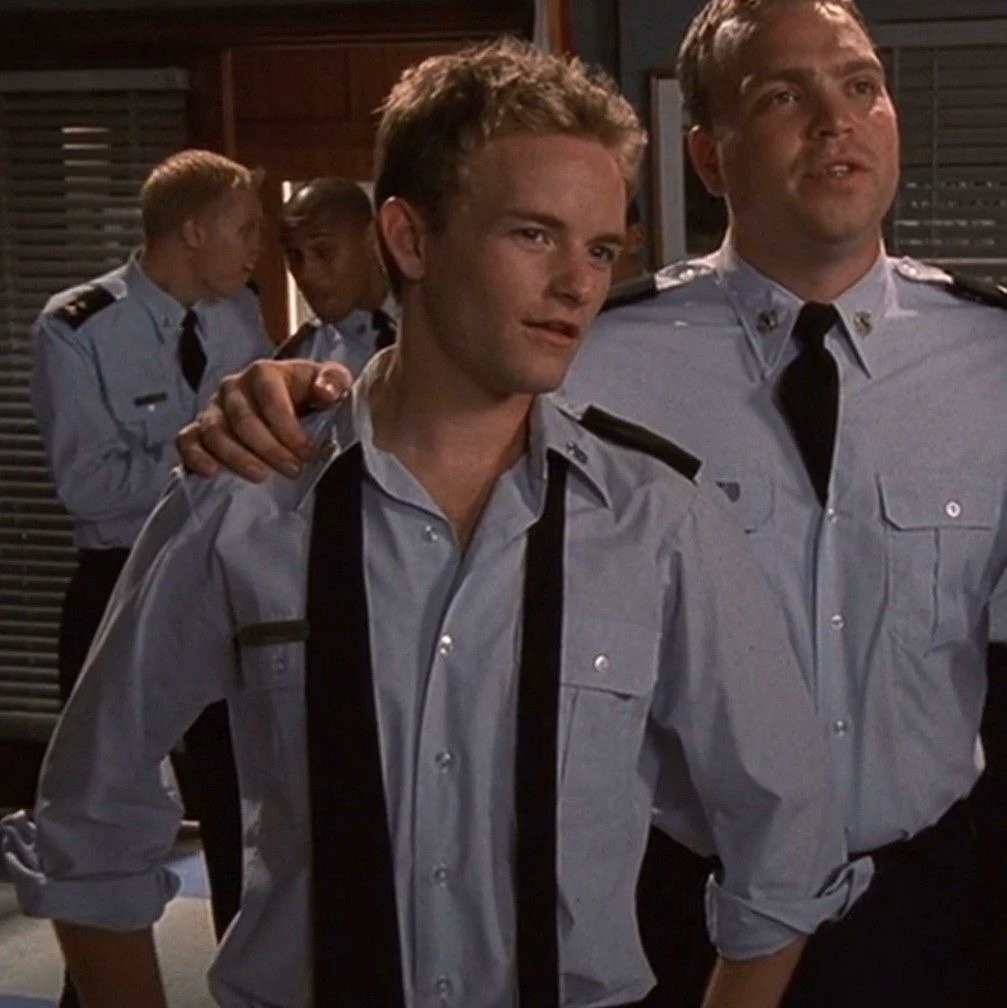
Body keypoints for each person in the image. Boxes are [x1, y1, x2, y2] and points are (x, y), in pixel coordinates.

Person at [1, 38, 866, 1008]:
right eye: (533, 235)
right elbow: (87, 823)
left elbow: (785, 841)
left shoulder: (658, 522)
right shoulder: (246, 496)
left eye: (598, 249)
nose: (578, 284)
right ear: (409, 239)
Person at [173, 3, 1007, 1006]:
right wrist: (289, 394)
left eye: (860, 86)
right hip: (664, 898)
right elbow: (422, 418)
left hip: (933, 897)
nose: (836, 120)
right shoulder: (587, 347)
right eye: (782, 96)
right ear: (707, 155)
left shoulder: (992, 358)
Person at [28, 147, 271, 1006]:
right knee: (99, 806)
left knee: (240, 799)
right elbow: (87, 485)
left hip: (223, 578)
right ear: (192, 231)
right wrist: (205, 464)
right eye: (244, 229)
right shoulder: (77, 325)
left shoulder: (241, 316)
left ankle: (252, 979)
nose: (257, 248)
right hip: (116, 579)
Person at [276, 176, 398, 369]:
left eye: (323, 251)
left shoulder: (435, 321)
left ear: (371, 236)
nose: (305, 274)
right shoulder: (300, 360)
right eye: (294, 255)